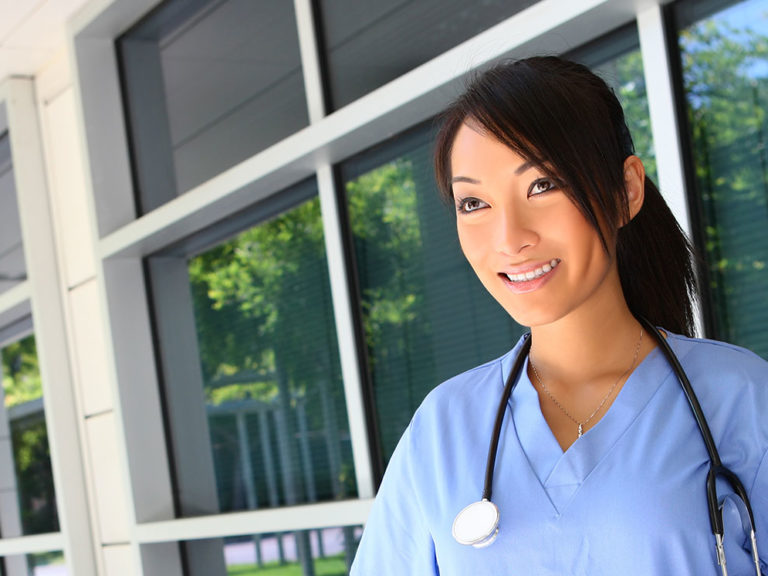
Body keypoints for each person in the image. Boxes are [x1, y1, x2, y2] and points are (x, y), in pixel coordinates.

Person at [349, 56, 768, 575]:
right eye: (473, 203)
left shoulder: (740, 395)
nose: (510, 239)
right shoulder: (443, 428)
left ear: (626, 191)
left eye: (543, 185)